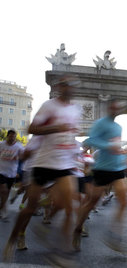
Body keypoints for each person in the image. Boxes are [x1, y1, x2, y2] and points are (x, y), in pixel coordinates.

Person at [3, 75, 81, 262]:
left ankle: (60, 252)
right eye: (65, 85)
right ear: (60, 87)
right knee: (30, 208)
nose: (69, 88)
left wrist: (73, 151)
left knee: (69, 205)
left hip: (64, 164)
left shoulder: (76, 109)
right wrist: (56, 128)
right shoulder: (49, 106)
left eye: (72, 86)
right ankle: (14, 238)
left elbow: (71, 135)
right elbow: (32, 128)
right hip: (43, 162)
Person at [73, 99, 127, 252]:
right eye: (113, 107)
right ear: (109, 107)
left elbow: (116, 146)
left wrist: (121, 155)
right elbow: (91, 140)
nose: (115, 110)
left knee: (124, 201)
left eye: (118, 108)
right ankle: (78, 228)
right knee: (92, 203)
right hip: (102, 169)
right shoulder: (100, 123)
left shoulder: (118, 126)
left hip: (118, 168)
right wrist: (108, 145)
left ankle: (114, 235)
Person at [0, 129, 24, 220]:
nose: (12, 138)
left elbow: (23, 157)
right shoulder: (1, 144)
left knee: (6, 193)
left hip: (12, 173)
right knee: (4, 190)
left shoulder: (19, 146)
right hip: (1, 171)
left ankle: (2, 208)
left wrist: (18, 158)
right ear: (7, 136)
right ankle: (3, 210)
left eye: (14, 137)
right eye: (10, 136)